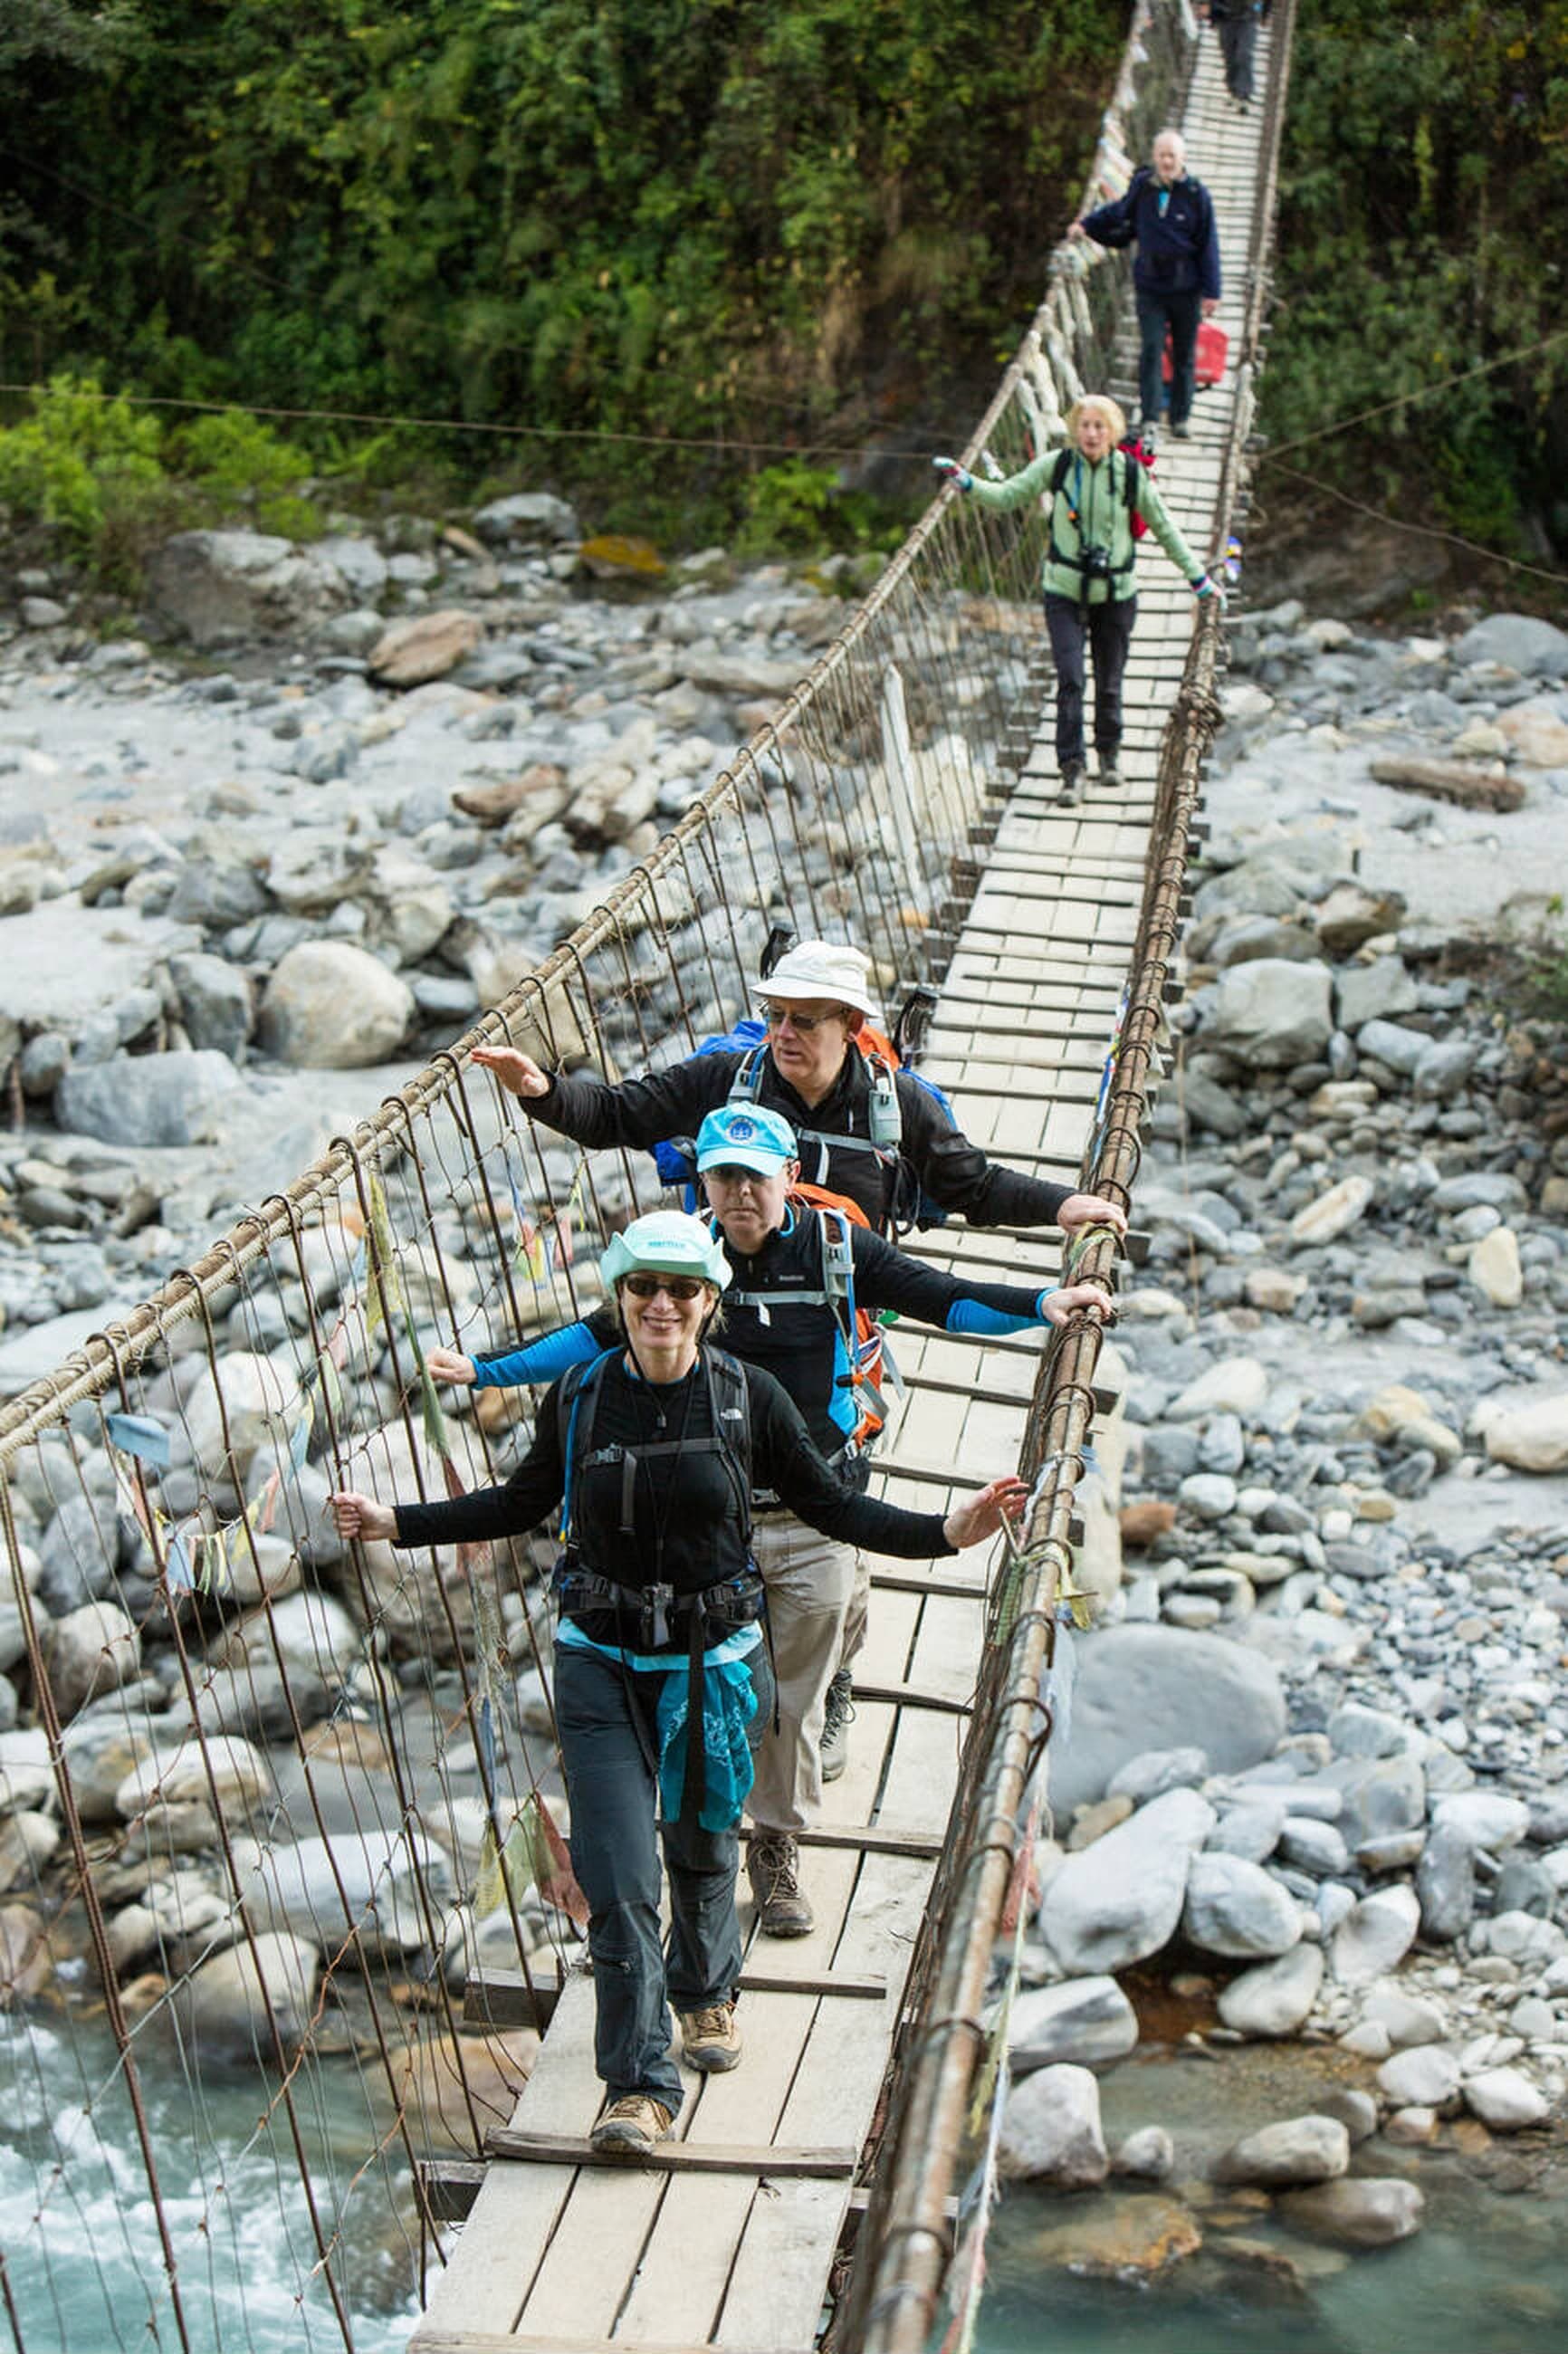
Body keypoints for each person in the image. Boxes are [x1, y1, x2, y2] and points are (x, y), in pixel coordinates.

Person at [329, 1210, 1025, 2158]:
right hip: (598, 1658)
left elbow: (832, 1504)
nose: (661, 1303)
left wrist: (948, 1530)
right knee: (618, 1877)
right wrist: (393, 1522)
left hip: (712, 1657)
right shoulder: (577, 1395)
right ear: (619, 1298)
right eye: (643, 1287)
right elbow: (520, 1501)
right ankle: (638, 2087)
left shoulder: (751, 1397)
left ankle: (706, 1990)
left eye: (682, 1288)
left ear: (709, 1301)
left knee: (701, 1847)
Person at [426, 1105, 1114, 1938]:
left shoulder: (832, 1247)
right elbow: (592, 1337)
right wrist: (485, 1370)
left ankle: (776, 1843)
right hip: (711, 1520)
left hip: (815, 1503)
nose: (740, 1194)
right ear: (704, 1184)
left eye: (755, 1177)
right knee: (740, 1688)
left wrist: (1041, 1304)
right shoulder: (683, 1264)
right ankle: (708, 1841)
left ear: (790, 1174)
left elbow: (942, 1299)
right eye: (722, 1177)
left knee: (792, 1690)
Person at [471, 936, 1128, 1241]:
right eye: (775, 1015)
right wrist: (539, 1088)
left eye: (803, 1020)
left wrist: (1062, 1205)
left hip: (845, 1301)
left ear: (850, 1025)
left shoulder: (897, 1103)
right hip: (733, 1288)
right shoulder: (731, 1078)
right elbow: (618, 1116)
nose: (782, 1033)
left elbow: (973, 1188)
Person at [934, 397, 1220, 804]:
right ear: (1074, 429)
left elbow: (1165, 527)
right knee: (1070, 679)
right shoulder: (1058, 466)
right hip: (1063, 591)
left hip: (1115, 594)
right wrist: (966, 482)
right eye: (1084, 425)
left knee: (1109, 681)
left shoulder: (1129, 475)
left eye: (1100, 426)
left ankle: (1109, 752)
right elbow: (1007, 496)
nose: (1091, 433)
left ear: (1113, 432)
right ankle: (1071, 769)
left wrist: (1199, 579)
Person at [1067, 128, 1220, 445]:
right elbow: (1120, 212)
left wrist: (1212, 291)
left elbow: (1209, 244)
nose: (1167, 161)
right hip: (1151, 285)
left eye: (1172, 156)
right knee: (1151, 349)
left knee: (1183, 353)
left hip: (1186, 286)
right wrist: (1086, 225)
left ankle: (1180, 416)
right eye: (1162, 155)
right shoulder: (1143, 187)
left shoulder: (1196, 195)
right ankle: (1150, 416)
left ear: (1183, 159)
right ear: (1154, 157)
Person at [1205, 2, 1268, 110]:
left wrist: (1264, 14)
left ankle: (1244, 93)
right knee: (1229, 57)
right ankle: (1234, 90)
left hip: (1248, 19)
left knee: (1244, 54)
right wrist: (1213, 17)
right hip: (1226, 18)